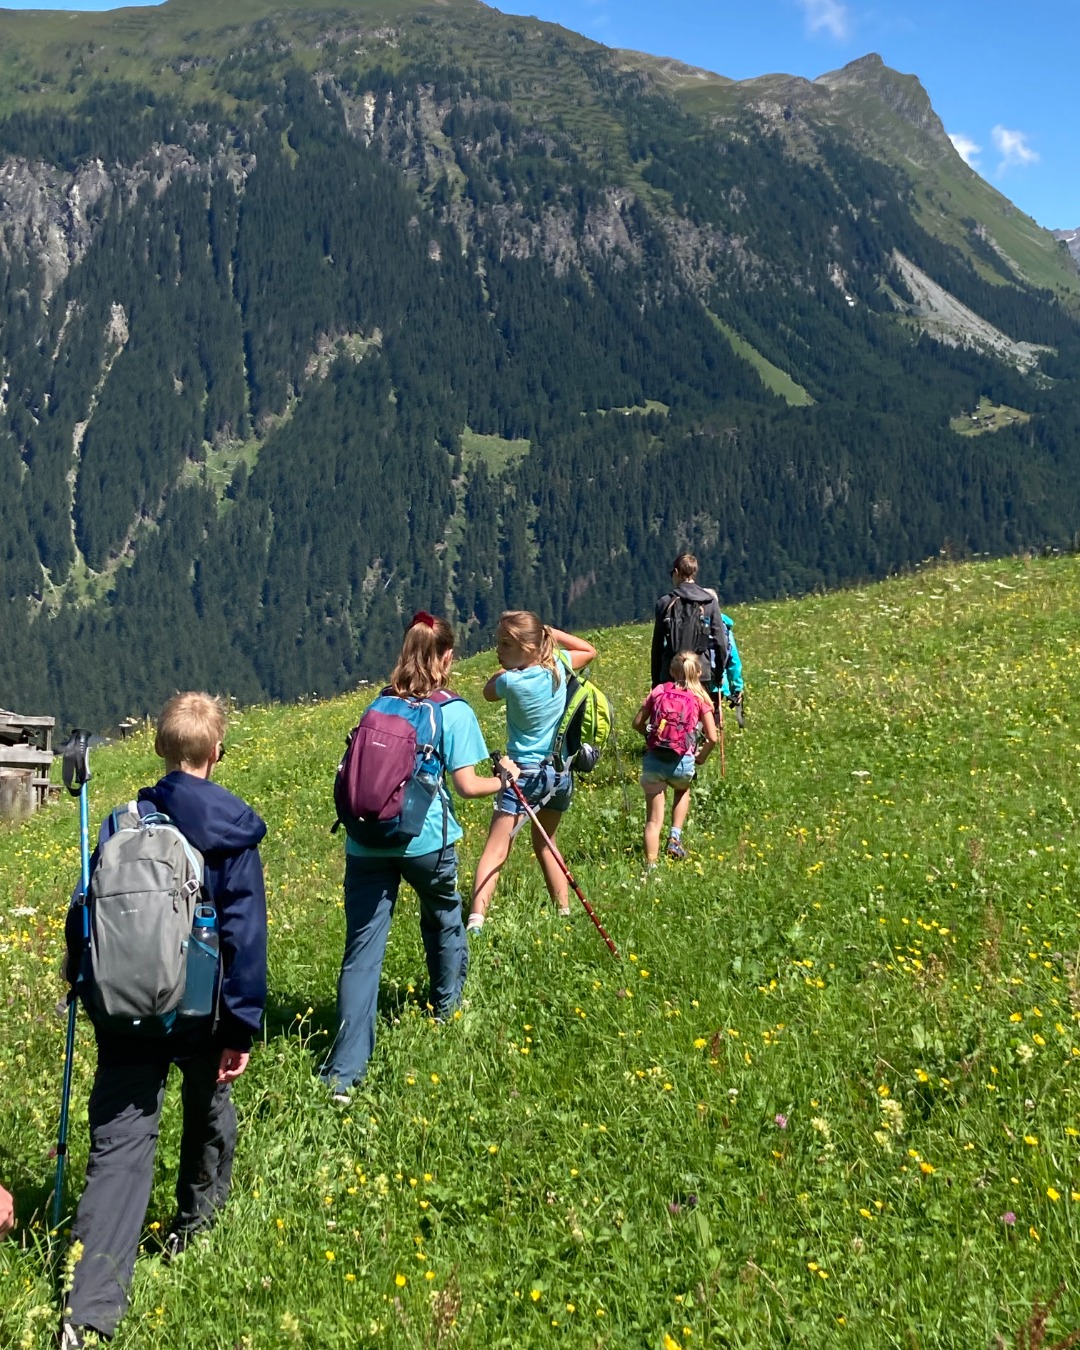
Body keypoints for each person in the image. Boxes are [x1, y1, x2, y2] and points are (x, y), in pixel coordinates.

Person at [62, 693, 267, 1347]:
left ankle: (87, 1313)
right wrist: (240, 1029)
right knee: (208, 1112)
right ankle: (194, 1235)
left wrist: (81, 981)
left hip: (122, 1007)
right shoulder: (232, 828)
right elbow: (245, 935)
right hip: (200, 1009)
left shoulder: (121, 821)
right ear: (217, 753)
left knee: (120, 1148)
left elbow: (85, 912)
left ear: (159, 749)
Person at [320, 613, 517, 1095]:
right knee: (444, 918)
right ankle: (447, 1012)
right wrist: (507, 778)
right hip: (425, 841)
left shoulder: (377, 705)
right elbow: (468, 787)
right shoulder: (452, 711)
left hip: (365, 841)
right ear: (447, 657)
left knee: (362, 953)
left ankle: (343, 1076)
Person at [468, 611, 597, 929]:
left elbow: (487, 691)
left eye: (505, 644)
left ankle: (475, 921)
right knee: (546, 842)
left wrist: (509, 666)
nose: (498, 650)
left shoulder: (510, 681)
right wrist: (552, 634)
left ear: (526, 647)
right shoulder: (559, 665)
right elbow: (589, 650)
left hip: (521, 776)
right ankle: (564, 912)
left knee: (496, 849)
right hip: (558, 774)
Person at [632, 651, 718, 865]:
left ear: (671, 671)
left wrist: (651, 736)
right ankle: (674, 838)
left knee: (653, 820)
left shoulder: (660, 690)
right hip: (682, 761)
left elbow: (637, 723)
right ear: (698, 672)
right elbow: (713, 738)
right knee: (682, 789)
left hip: (654, 759)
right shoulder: (700, 698)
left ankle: (651, 867)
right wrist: (701, 757)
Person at [650, 553, 727, 715]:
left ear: (676, 572)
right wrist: (718, 674)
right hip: (700, 671)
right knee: (699, 717)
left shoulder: (665, 603)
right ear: (694, 573)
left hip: (671, 672)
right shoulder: (709, 602)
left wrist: (656, 679)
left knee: (672, 717)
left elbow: (657, 645)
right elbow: (720, 642)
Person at [718, 611, 745, 726]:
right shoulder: (722, 625)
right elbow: (733, 660)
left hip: (686, 680)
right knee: (712, 713)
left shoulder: (685, 622)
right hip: (716, 681)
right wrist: (737, 688)